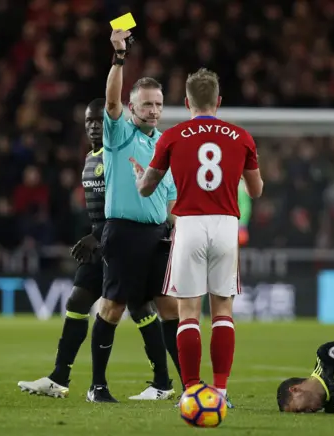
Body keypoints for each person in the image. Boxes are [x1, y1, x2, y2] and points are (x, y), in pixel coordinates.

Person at [17, 99, 175, 401]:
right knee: (81, 299)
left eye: (99, 121)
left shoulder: (118, 155)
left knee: (139, 306)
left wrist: (99, 236)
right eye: (88, 121)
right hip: (101, 242)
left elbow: (124, 206)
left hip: (118, 241)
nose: (93, 126)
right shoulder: (92, 157)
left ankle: (162, 381)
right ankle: (59, 378)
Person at [134, 68, 264, 406]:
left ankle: (192, 391)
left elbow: (147, 188)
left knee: (188, 311)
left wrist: (141, 178)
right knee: (223, 310)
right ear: (218, 101)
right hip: (225, 225)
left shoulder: (172, 136)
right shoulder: (241, 136)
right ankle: (220, 392)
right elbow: (257, 189)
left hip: (189, 224)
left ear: (187, 101)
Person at [85, 30, 181, 403]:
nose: (154, 111)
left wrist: (178, 228)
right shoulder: (118, 133)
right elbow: (110, 100)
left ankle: (186, 385)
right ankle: (97, 386)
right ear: (131, 108)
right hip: (123, 233)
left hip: (158, 235)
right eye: (146, 105)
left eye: (158, 104)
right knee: (112, 307)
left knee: (170, 307)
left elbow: (171, 196)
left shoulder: (166, 143)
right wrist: (119, 57)